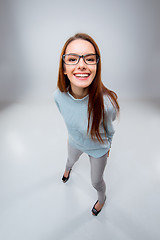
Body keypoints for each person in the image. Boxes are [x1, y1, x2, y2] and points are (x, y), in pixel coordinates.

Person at [54, 33, 120, 216]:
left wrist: (108, 148)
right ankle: (67, 170)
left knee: (96, 182)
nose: (81, 64)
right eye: (73, 59)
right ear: (64, 68)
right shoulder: (58, 97)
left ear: (96, 67)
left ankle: (102, 199)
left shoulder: (107, 104)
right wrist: (73, 135)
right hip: (75, 142)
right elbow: (70, 118)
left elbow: (110, 129)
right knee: (70, 161)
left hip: (98, 149)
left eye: (89, 59)